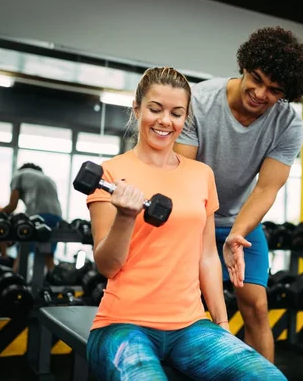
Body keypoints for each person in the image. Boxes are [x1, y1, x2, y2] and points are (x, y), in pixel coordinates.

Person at [85, 67, 286, 380]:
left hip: (191, 326)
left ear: (185, 118)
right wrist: (126, 216)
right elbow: (107, 266)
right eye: (155, 109)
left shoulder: (200, 174)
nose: (165, 121)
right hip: (122, 325)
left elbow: (207, 256)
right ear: (137, 109)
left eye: (176, 113)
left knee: (269, 377)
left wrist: (221, 325)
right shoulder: (109, 174)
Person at [174, 26, 303, 362]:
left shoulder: (289, 125)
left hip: (240, 220)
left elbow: (267, 188)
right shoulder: (199, 102)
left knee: (256, 305)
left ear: (286, 94)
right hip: (193, 215)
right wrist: (206, 236)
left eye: (274, 90)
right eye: (256, 78)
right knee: (186, 304)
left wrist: (237, 234)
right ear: (244, 65)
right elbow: (184, 176)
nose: (259, 92)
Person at [2, 163, 63, 272]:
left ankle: (15, 282)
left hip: (37, 216)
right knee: (48, 254)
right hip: (57, 217)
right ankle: (54, 281)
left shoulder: (18, 175)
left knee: (22, 251)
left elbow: (12, 205)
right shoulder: (48, 179)